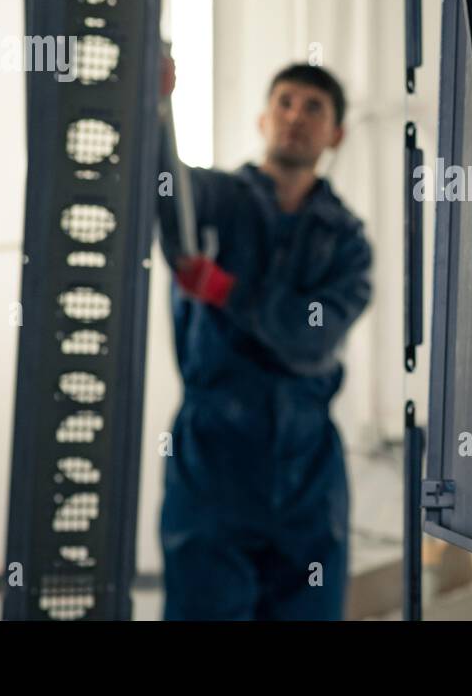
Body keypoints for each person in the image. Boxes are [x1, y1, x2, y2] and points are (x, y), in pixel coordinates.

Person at [154, 52, 373, 620]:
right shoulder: (217, 200)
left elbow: (312, 336)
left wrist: (228, 292)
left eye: (314, 107)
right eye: (284, 102)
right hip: (213, 458)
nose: (295, 116)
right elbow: (162, 193)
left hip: (306, 472)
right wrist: (157, 105)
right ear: (263, 119)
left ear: (336, 133)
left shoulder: (348, 242)